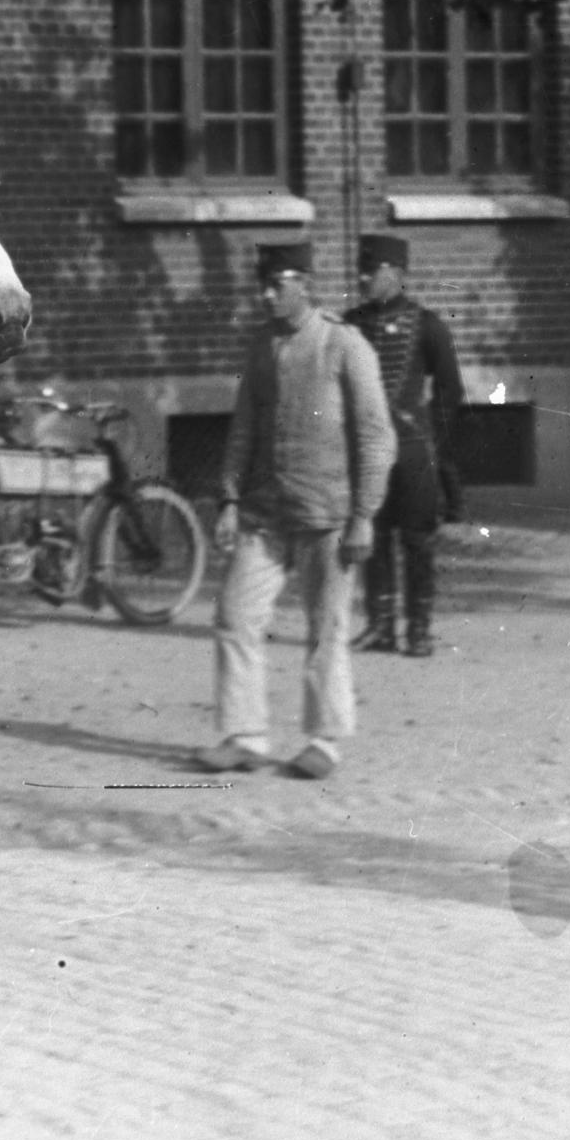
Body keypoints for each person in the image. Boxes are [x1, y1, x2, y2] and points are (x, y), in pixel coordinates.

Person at [196, 242, 397, 780]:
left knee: (326, 627)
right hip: (264, 513)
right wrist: (229, 499)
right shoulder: (262, 345)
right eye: (262, 286)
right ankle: (245, 736)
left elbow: (376, 436)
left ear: (304, 284)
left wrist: (364, 515)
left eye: (276, 285)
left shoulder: (344, 343)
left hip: (328, 516)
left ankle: (324, 742)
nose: (266, 295)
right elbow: (243, 429)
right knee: (235, 616)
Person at [346, 232, 465, 658]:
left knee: (417, 540)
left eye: (371, 270)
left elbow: (450, 391)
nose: (362, 277)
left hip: (412, 449)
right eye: (360, 269)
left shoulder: (427, 325)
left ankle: (418, 628)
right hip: (368, 451)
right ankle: (380, 625)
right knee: (374, 534)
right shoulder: (351, 325)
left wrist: (434, 441)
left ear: (396, 273)